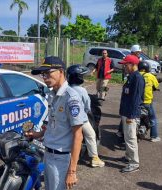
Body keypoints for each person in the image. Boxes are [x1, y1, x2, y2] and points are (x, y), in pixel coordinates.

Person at [29, 56, 84, 190]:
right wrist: (37, 134)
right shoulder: (53, 94)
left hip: (61, 159)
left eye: (48, 73)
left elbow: (78, 135)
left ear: (61, 71)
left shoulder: (71, 98)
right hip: (48, 155)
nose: (45, 77)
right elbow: (55, 124)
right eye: (43, 74)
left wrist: (72, 171)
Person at [66, 64, 105, 168]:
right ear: (78, 78)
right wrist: (87, 111)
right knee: (91, 135)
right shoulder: (82, 90)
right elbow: (87, 105)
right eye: (82, 76)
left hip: (67, 118)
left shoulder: (66, 88)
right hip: (80, 118)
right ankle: (94, 159)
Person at [118, 55, 145, 173]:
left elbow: (136, 99)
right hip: (126, 111)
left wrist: (131, 116)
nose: (124, 66)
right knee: (127, 136)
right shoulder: (131, 76)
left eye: (126, 64)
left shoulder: (137, 78)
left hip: (130, 113)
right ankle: (128, 157)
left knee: (131, 138)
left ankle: (134, 163)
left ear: (133, 65)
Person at [138, 61, 160, 142]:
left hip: (136, 102)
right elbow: (156, 86)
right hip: (147, 102)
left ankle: (120, 132)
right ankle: (154, 137)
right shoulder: (151, 76)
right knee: (153, 118)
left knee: (128, 116)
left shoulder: (135, 75)